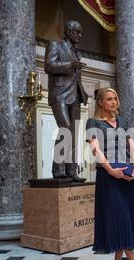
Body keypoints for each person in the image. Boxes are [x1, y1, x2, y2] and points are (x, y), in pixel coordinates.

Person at [85, 88, 134, 260]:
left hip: (128, 176)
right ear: (101, 103)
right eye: (109, 99)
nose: (114, 102)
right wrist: (110, 169)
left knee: (126, 220)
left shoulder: (123, 122)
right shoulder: (92, 123)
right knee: (120, 219)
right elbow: (96, 150)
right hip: (108, 177)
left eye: (115, 98)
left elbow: (132, 146)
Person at [45, 20, 88, 183]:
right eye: (77, 32)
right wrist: (70, 64)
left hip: (75, 96)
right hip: (59, 94)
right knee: (65, 129)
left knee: (74, 134)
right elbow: (48, 66)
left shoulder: (76, 52)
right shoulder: (55, 45)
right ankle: (58, 169)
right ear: (69, 31)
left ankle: (72, 170)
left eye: (81, 32)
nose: (80, 35)